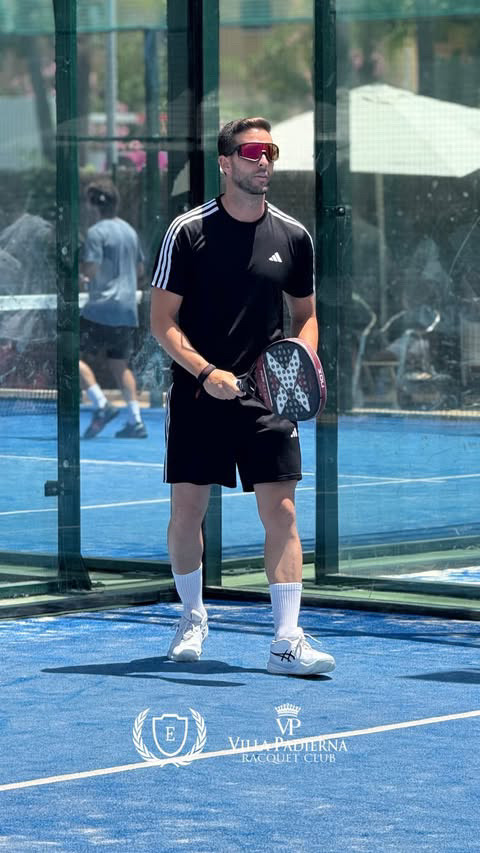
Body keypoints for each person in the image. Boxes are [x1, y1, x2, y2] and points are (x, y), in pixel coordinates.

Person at [150, 117, 335, 677]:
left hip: (268, 400)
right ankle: (191, 616)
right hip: (199, 392)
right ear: (225, 163)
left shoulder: (293, 237)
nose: (264, 162)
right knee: (188, 512)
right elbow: (162, 321)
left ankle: (285, 641)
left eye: (270, 152)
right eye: (253, 152)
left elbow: (306, 316)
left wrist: (293, 366)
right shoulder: (187, 232)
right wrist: (206, 372)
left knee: (282, 510)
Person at [79, 179, 148, 439]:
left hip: (100, 309)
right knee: (120, 365)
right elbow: (139, 270)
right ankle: (135, 420)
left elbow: (91, 269)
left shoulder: (96, 233)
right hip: (127, 311)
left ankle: (101, 404)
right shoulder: (129, 231)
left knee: (69, 357)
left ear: (93, 206)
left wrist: (81, 276)